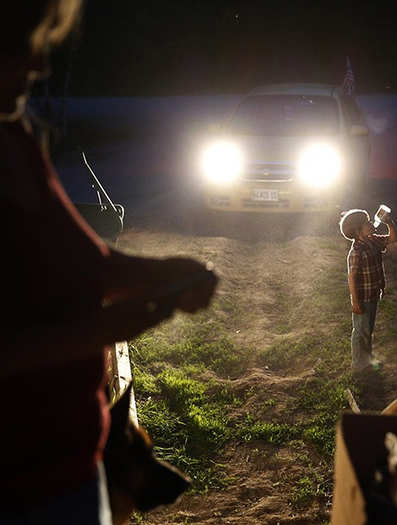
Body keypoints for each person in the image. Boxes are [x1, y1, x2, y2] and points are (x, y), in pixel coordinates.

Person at [0, 2, 218, 523]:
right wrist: (103, 329)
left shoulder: (16, 140)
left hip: (73, 471)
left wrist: (161, 272)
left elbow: (85, 260)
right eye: (21, 47)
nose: (40, 67)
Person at [339, 208, 397, 372]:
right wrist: (355, 302)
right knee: (360, 331)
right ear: (358, 231)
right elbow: (352, 278)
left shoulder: (373, 240)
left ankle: (367, 359)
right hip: (363, 298)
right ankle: (359, 364)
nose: (371, 223)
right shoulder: (356, 252)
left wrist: (390, 224)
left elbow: (393, 238)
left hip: (373, 294)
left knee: (368, 329)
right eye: (367, 223)